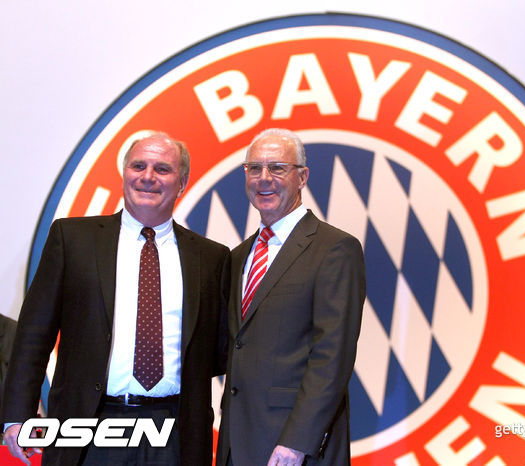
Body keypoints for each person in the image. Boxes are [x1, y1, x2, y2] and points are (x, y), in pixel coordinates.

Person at [2, 132, 230, 466]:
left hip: (174, 433)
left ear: (182, 182)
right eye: (139, 165)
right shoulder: (72, 240)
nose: (148, 176)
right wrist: (17, 415)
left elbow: (219, 351)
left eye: (162, 169)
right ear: (124, 173)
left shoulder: (211, 257)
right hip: (89, 426)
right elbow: (34, 335)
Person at [216, 128, 366, 466]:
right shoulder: (239, 256)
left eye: (278, 168)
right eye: (254, 168)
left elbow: (333, 354)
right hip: (235, 443)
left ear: (302, 177)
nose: (264, 178)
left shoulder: (334, 249)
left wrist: (298, 441)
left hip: (294, 448)